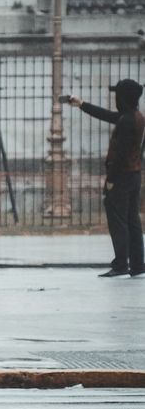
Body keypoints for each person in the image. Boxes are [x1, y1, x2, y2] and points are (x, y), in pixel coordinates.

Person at [69, 80, 144, 277]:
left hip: (122, 177)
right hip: (134, 176)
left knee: (118, 220)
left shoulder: (127, 121)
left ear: (124, 97)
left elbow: (120, 154)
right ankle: (137, 265)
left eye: (118, 95)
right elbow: (107, 115)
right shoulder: (134, 116)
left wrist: (111, 179)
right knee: (132, 221)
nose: (115, 98)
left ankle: (121, 264)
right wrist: (81, 104)